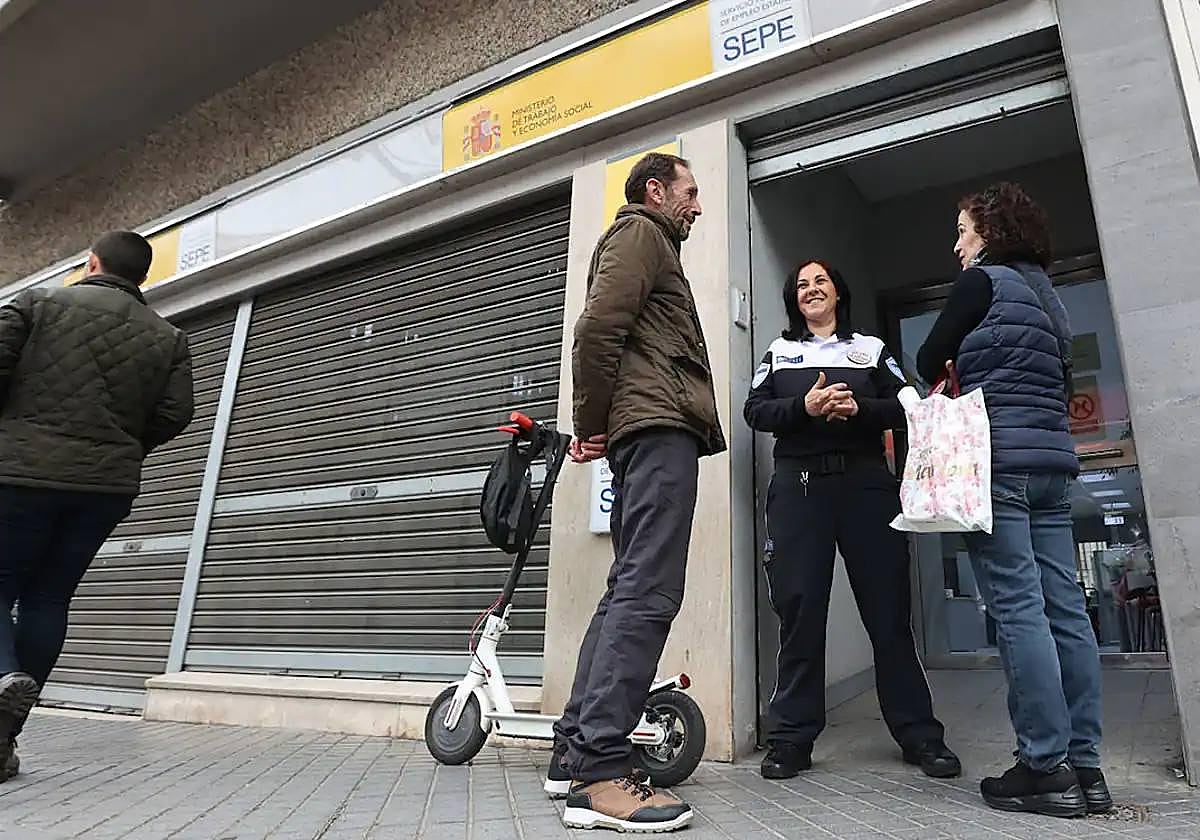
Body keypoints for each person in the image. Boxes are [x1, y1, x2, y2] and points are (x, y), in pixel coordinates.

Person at [544, 152, 724, 834]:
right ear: (656, 190)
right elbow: (595, 330)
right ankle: (598, 773)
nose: (698, 206)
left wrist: (599, 424)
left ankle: (573, 751)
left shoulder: (647, 242)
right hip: (656, 431)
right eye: (690, 191)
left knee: (627, 589)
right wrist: (590, 423)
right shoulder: (642, 233)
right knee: (648, 592)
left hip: (647, 431)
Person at [916, 182, 1109, 818]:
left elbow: (928, 358)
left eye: (962, 231)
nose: (957, 245)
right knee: (1066, 612)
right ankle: (1086, 767)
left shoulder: (982, 281)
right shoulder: (1049, 296)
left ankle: (1044, 768)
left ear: (989, 231)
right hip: (1052, 467)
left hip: (999, 465)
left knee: (1020, 612)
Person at [743, 259, 959, 782]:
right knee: (800, 613)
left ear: (838, 292)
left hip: (866, 485)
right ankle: (791, 739)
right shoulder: (779, 352)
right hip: (799, 489)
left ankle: (920, 735)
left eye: (820, 281)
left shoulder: (872, 349)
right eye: (801, 285)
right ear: (794, 300)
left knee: (889, 613)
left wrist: (858, 409)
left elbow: (905, 406)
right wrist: (805, 407)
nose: (811, 289)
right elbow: (756, 411)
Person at [0, 231, 194, 782]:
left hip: (18, 474)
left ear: (91, 263)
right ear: (142, 277)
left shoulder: (36, 303)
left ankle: (3, 675)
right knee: (49, 597)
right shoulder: (168, 337)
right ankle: (3, 737)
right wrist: (122, 445)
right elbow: (176, 413)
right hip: (104, 488)